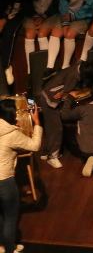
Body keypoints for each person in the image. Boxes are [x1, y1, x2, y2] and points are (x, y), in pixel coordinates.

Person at [0, 96, 41, 252]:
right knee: (10, 217)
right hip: (4, 181)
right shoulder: (12, 135)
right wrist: (37, 123)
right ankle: (10, 249)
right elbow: (34, 146)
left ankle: (2, 246)